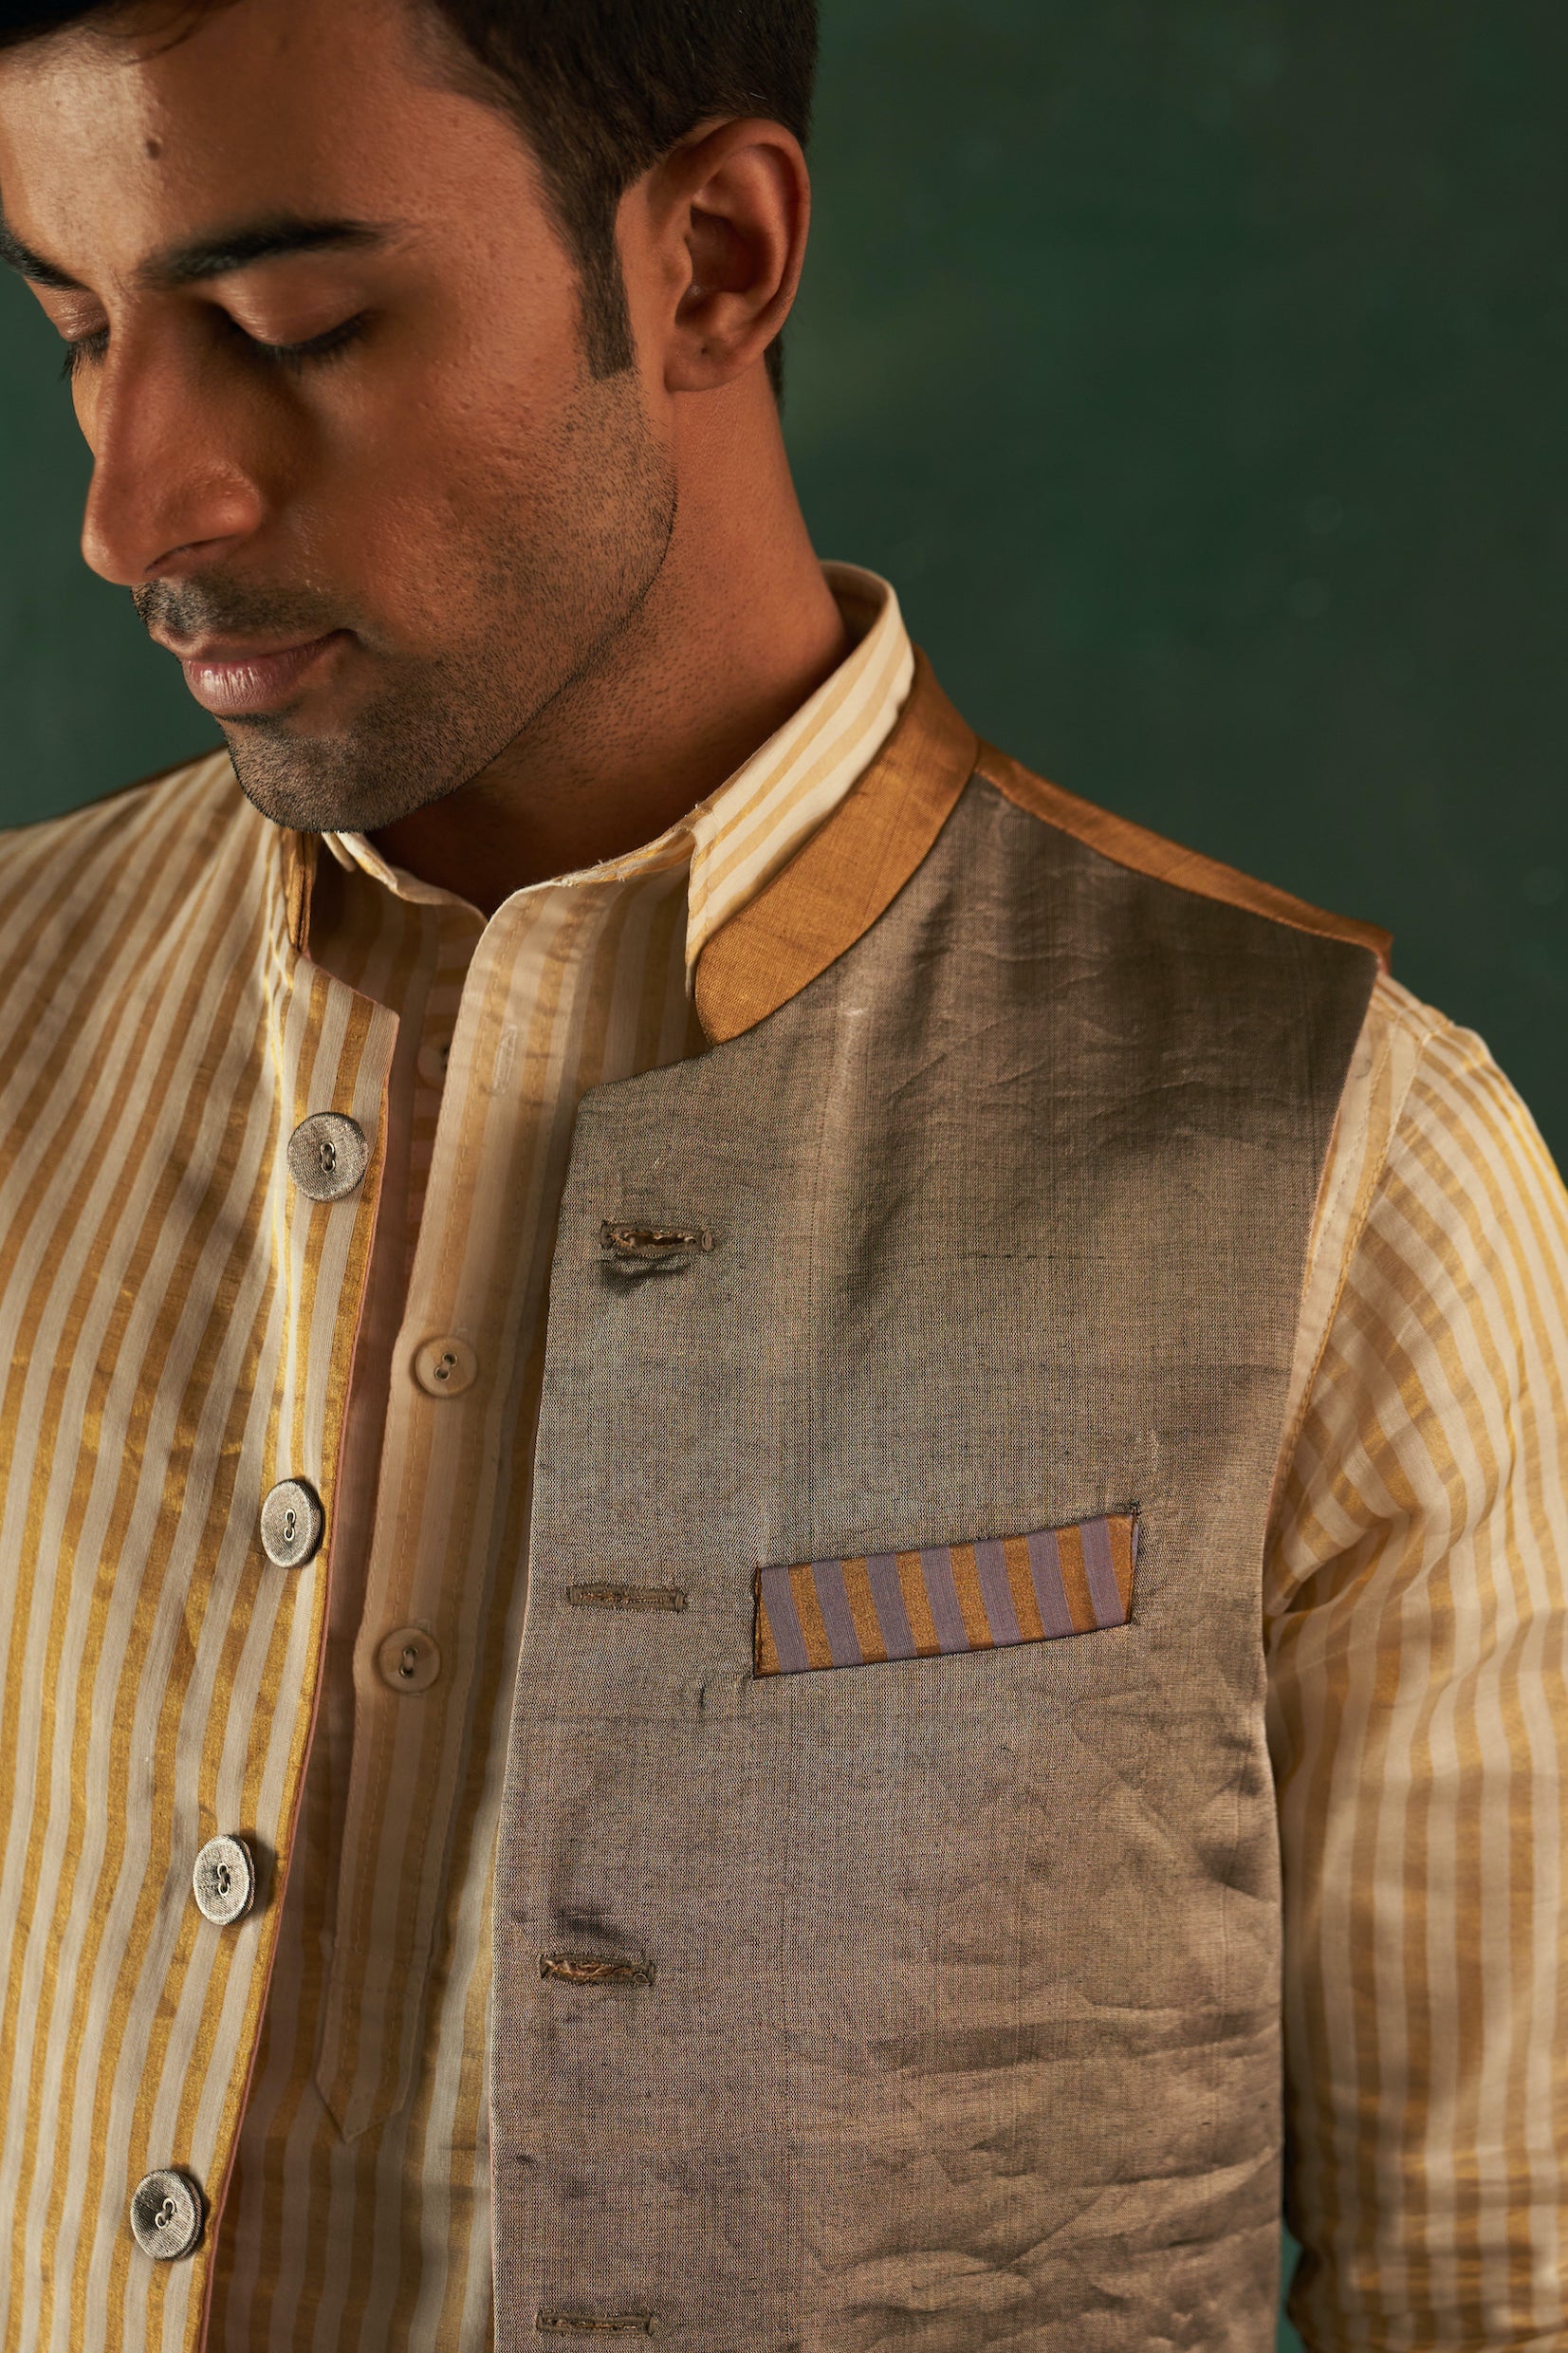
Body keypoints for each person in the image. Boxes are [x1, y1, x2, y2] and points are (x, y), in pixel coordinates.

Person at [0, 0, 1562, 2345]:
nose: (136, 507)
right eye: (77, 330)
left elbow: (1496, 2265)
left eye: (295, 324)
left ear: (712, 260)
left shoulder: (1344, 1160)